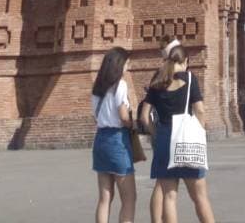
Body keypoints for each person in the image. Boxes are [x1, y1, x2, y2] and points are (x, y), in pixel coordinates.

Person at [139, 43, 215, 223]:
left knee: (169, 197)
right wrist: (202, 129)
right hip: (186, 139)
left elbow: (144, 116)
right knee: (199, 196)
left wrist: (155, 133)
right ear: (185, 61)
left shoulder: (157, 80)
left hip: (164, 138)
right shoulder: (190, 79)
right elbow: (200, 110)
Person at [91, 46, 136, 223]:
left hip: (100, 139)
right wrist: (132, 124)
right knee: (129, 198)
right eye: (126, 63)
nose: (127, 66)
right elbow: (123, 116)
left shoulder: (97, 88)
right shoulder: (120, 85)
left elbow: (95, 116)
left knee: (105, 198)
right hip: (117, 140)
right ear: (119, 64)